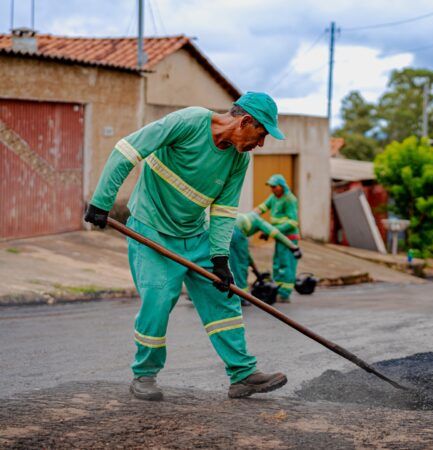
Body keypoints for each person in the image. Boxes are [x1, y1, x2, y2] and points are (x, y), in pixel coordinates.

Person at [84, 91, 288, 401]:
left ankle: (242, 374)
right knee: (159, 299)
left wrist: (220, 258)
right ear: (245, 121)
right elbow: (128, 150)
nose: (260, 144)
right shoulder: (189, 122)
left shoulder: (238, 160)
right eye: (261, 134)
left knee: (223, 298)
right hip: (152, 230)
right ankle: (145, 375)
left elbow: (223, 211)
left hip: (195, 234)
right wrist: (102, 200)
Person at [229, 211, 302, 298]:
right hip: (236, 233)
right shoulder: (259, 221)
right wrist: (293, 247)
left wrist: (256, 272)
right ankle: (241, 297)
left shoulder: (247, 218)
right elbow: (276, 233)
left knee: (231, 264)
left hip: (226, 229)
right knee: (240, 267)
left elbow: (246, 255)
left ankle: (232, 293)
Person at [253, 174, 299, 302]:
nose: (272, 189)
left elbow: (293, 222)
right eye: (271, 187)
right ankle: (277, 289)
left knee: (286, 263)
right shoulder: (273, 198)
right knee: (277, 263)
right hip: (279, 237)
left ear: (282, 186)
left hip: (289, 237)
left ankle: (285, 293)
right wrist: (251, 216)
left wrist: (273, 231)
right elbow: (262, 208)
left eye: (274, 186)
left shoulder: (289, 199)